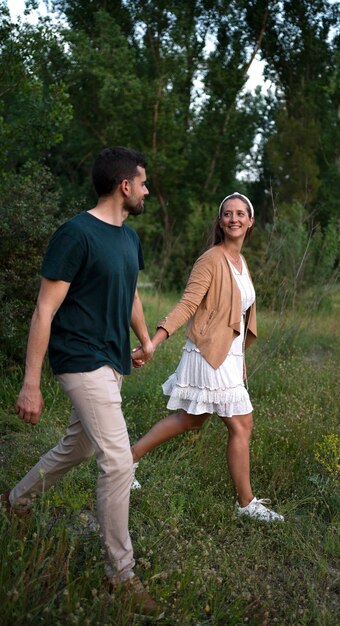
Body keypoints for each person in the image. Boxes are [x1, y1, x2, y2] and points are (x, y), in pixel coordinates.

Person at [0, 146, 161, 614]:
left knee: (81, 446)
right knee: (117, 460)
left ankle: (17, 500)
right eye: (143, 182)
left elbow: (129, 290)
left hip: (112, 360)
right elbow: (44, 309)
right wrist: (31, 382)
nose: (147, 190)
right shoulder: (76, 234)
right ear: (124, 186)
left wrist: (145, 338)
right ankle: (121, 575)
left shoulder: (129, 239)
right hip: (79, 359)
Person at [130, 192, 284, 522]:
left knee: (192, 419)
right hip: (207, 356)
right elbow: (187, 304)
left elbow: (238, 316)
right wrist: (154, 340)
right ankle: (246, 504)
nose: (234, 218)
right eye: (227, 214)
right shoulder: (211, 260)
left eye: (241, 213)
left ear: (250, 221)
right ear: (220, 221)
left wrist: (239, 354)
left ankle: (127, 460)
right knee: (242, 424)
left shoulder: (241, 263)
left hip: (228, 356)